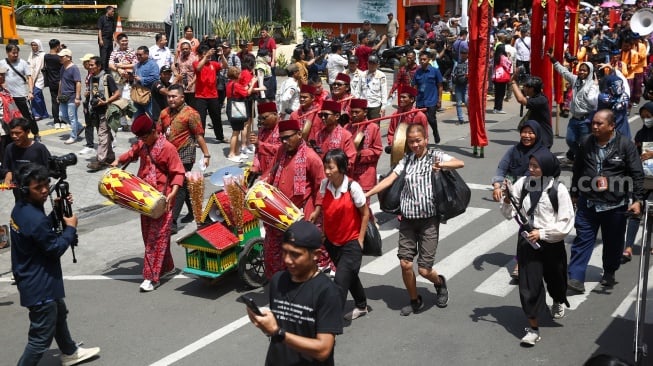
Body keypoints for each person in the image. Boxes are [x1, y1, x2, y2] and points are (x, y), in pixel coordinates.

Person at [365, 124, 464, 315]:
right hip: (408, 221)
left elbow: (459, 163)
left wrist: (441, 165)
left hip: (429, 221)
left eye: (418, 140)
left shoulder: (435, 155)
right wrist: (367, 193)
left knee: (425, 270)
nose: (415, 145)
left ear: (426, 139)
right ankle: (414, 299)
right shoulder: (406, 160)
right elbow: (389, 180)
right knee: (405, 264)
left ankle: (440, 282)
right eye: (411, 142)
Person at [11, 163, 101, 366]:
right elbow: (54, 249)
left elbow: (38, 235)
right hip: (40, 285)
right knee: (39, 340)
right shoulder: (34, 218)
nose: (44, 191)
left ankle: (69, 351)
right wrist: (70, 229)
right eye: (38, 187)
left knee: (59, 312)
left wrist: (58, 209)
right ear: (25, 189)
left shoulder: (21, 209)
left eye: (46, 184)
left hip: (33, 277)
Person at [500, 149, 574, 346]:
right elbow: (508, 212)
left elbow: (566, 223)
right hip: (527, 243)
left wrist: (542, 233)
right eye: (530, 165)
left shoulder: (558, 190)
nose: (530, 169)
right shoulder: (522, 184)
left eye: (535, 166)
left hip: (551, 244)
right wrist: (507, 198)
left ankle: (557, 300)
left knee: (556, 280)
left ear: (547, 168)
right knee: (528, 286)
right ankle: (533, 328)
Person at [568, 109, 645, 293]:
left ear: (612, 126)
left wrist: (637, 200)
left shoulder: (626, 146)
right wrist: (575, 192)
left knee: (613, 242)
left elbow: (636, 174)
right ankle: (576, 277)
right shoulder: (586, 142)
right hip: (588, 203)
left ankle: (609, 272)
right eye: (593, 123)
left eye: (599, 123)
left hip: (615, 206)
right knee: (582, 240)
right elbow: (578, 169)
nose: (594, 126)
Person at [246, 220, 343, 366]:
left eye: (295, 255)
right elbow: (279, 327)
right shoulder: (278, 280)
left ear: (316, 254)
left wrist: (278, 332)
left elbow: (323, 350)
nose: (287, 260)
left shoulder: (328, 292)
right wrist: (264, 324)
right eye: (284, 251)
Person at [112, 114, 185, 291]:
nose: (142, 140)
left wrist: (172, 194)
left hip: (163, 198)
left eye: (144, 136)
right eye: (140, 138)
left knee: (156, 237)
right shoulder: (143, 144)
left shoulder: (168, 148)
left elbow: (178, 173)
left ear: (154, 131)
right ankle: (167, 267)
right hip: (144, 198)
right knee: (149, 236)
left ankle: (151, 277)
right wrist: (117, 160)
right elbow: (131, 153)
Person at [312, 149, 371, 320]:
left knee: (339, 282)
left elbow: (365, 213)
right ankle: (361, 306)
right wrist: (323, 233)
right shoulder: (325, 185)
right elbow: (325, 211)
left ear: (342, 168)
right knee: (349, 276)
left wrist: (360, 239)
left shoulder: (353, 187)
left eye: (331, 168)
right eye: (326, 168)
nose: (327, 172)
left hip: (351, 244)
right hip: (332, 242)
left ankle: (328, 321)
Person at [262, 119, 325, 279]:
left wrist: (317, 209)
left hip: (299, 214)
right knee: (273, 253)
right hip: (277, 212)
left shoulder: (311, 157)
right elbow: (272, 171)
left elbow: (321, 186)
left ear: (299, 134)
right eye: (282, 138)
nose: (285, 141)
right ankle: (278, 284)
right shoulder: (281, 151)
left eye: (288, 137)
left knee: (297, 256)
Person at [159, 84, 211, 233]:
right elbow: (158, 134)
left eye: (174, 96)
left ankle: (173, 221)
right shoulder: (164, 113)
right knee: (186, 186)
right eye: (169, 96)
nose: (171, 99)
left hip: (185, 154)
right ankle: (194, 212)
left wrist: (206, 154)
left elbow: (199, 136)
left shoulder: (191, 113)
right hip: (168, 155)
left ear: (182, 97)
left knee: (179, 185)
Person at [548, 50, 598, 163]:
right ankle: (579, 157)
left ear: (589, 72)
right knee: (570, 140)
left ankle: (586, 161)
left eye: (584, 70)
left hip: (585, 120)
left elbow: (594, 102)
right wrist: (553, 60)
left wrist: (595, 88)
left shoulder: (593, 85)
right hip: (574, 119)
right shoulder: (576, 80)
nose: (581, 72)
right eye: (580, 69)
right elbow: (564, 72)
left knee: (585, 143)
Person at [623, 102, 653, 263]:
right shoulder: (641, 134)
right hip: (642, 179)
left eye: (649, 116)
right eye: (643, 117)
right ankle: (628, 247)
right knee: (636, 211)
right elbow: (634, 153)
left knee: (651, 213)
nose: (646, 120)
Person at [3, 117, 51, 202]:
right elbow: (7, 167)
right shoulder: (9, 148)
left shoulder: (39, 148)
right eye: (12, 133)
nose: (14, 136)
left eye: (18, 133)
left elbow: (48, 168)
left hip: (36, 192)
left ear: (28, 132)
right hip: (18, 191)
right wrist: (8, 176)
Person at [85, 56, 120, 172]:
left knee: (102, 136)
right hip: (95, 112)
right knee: (104, 135)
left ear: (99, 66)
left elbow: (117, 93)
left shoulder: (107, 77)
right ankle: (110, 157)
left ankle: (100, 160)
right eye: (89, 65)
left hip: (106, 111)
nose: (89, 67)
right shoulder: (92, 78)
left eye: (92, 65)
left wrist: (106, 101)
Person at [344, 98, 382, 200]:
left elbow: (377, 151)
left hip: (366, 175)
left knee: (363, 204)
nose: (354, 115)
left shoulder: (373, 127)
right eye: (352, 112)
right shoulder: (347, 127)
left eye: (357, 112)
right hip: (350, 173)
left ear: (365, 112)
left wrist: (361, 153)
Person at [0, 44, 39, 142]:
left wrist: (30, 91)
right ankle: (12, 134)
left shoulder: (23, 63)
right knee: (10, 116)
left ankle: (36, 133)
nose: (15, 54)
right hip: (8, 96)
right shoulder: (2, 63)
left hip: (21, 95)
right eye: (13, 53)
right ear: (7, 52)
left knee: (28, 116)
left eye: (17, 52)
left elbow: (29, 77)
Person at [226, 66, 265, 162]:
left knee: (237, 131)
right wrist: (252, 84)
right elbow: (247, 93)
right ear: (236, 75)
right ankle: (231, 153)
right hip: (236, 109)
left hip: (232, 107)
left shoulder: (230, 84)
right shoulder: (236, 85)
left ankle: (237, 152)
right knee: (235, 132)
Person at [194, 45, 227, 141]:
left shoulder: (213, 64)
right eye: (204, 54)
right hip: (200, 96)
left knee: (216, 117)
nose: (208, 56)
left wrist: (222, 56)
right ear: (200, 55)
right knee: (201, 119)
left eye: (208, 54)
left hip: (213, 95)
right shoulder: (196, 63)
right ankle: (200, 139)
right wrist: (205, 56)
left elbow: (224, 66)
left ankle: (220, 137)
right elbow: (198, 68)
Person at [509, 75, 553, 148]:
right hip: (533, 138)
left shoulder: (541, 100)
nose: (524, 88)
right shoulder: (536, 96)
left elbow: (521, 99)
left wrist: (513, 82)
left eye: (526, 87)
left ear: (532, 89)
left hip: (543, 140)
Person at [314, 100, 357, 168]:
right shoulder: (318, 135)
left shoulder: (346, 135)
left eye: (326, 115)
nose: (322, 118)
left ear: (337, 116)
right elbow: (317, 156)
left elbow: (351, 159)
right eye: (321, 115)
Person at [413, 52, 443, 144]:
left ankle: (435, 131)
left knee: (431, 118)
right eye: (421, 59)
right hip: (420, 100)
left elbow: (440, 85)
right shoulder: (417, 72)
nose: (422, 61)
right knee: (420, 120)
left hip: (432, 100)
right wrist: (413, 99)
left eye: (424, 59)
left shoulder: (435, 71)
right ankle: (423, 139)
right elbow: (415, 86)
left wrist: (439, 99)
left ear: (429, 59)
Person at [57, 49, 84, 145]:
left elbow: (78, 83)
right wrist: (59, 94)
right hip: (63, 96)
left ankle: (73, 136)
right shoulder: (62, 68)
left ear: (68, 57)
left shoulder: (74, 68)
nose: (60, 58)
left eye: (62, 56)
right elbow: (61, 81)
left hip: (72, 96)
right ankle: (79, 127)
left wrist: (77, 97)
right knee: (62, 115)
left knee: (72, 117)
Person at [249, 101, 281, 177]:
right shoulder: (262, 129)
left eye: (264, 118)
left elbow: (281, 150)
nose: (262, 121)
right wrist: (256, 166)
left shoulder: (284, 129)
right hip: (264, 171)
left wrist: (259, 144)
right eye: (260, 118)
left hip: (277, 172)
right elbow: (257, 152)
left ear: (275, 114)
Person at [27, 39, 49, 121]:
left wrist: (32, 80)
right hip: (32, 78)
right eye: (32, 45)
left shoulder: (42, 55)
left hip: (40, 78)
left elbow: (38, 69)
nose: (33, 47)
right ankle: (44, 114)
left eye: (35, 45)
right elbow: (29, 65)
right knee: (39, 96)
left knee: (35, 95)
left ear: (39, 45)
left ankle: (37, 114)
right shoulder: (31, 54)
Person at [44, 39, 63, 129]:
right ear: (57, 46)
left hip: (51, 82)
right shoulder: (59, 57)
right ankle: (63, 120)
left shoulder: (46, 57)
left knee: (54, 102)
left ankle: (56, 121)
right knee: (63, 101)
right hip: (60, 82)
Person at [173, 40, 198, 109]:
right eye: (183, 49)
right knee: (181, 107)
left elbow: (197, 73)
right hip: (181, 87)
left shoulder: (194, 58)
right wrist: (176, 74)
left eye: (186, 49)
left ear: (190, 49)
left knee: (192, 108)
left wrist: (192, 83)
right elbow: (174, 66)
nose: (185, 50)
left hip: (191, 87)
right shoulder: (180, 57)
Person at [492, 44, 512, 114]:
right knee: (501, 93)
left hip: (496, 76)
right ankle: (499, 108)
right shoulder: (503, 57)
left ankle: (495, 108)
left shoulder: (495, 57)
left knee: (497, 93)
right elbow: (508, 64)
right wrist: (508, 57)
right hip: (502, 76)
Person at [451, 47, 469, 125]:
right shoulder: (457, 63)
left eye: (465, 53)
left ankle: (470, 116)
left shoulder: (469, 63)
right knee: (458, 103)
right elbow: (453, 74)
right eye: (462, 53)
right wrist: (452, 85)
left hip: (467, 85)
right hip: (458, 85)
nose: (463, 55)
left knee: (467, 102)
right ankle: (460, 119)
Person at [96, 5, 116, 71]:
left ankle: (108, 70)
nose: (113, 12)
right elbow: (99, 30)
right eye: (112, 11)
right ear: (108, 11)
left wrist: (114, 39)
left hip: (110, 40)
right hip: (104, 39)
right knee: (103, 56)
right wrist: (101, 40)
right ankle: (103, 70)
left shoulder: (112, 19)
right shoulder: (102, 18)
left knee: (110, 55)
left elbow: (113, 30)